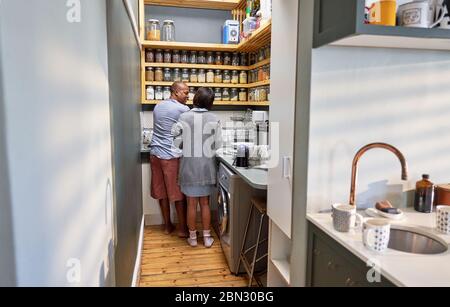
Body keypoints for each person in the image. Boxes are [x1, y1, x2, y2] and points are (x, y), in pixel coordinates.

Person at [173, 88, 222, 248]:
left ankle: (193, 238)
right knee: (205, 203)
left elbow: (177, 142)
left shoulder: (184, 116)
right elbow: (219, 144)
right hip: (206, 167)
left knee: (191, 204)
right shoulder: (214, 118)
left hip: (188, 166)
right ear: (210, 102)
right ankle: (207, 238)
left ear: (195, 99)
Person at [150, 82, 190, 237]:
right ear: (175, 92)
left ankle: (167, 226)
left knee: (162, 192)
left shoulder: (158, 106)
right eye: (185, 93)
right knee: (178, 194)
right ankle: (183, 229)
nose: (188, 96)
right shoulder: (183, 109)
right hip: (171, 157)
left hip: (155, 154)